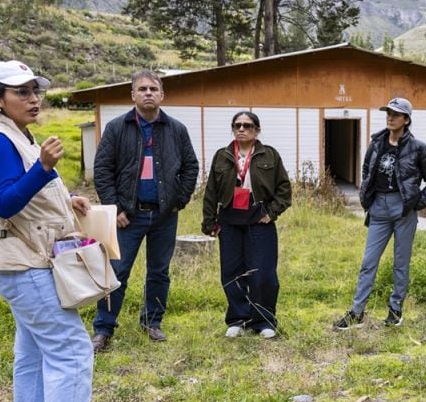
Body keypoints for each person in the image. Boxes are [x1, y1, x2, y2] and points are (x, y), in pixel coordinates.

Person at [0, 60, 109, 402]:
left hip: (22, 259)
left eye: (35, 91)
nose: (33, 99)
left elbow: (32, 195)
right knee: (71, 349)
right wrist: (43, 167)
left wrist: (70, 201)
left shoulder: (14, 135)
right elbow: (6, 201)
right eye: (21, 93)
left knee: (31, 351)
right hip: (23, 263)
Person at [90, 71, 198, 353]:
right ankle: (103, 329)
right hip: (128, 216)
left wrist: (179, 200)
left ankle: (152, 322)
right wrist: (115, 208)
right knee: (116, 272)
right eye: (142, 89)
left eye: (153, 89)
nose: (148, 93)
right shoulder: (116, 128)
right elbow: (102, 170)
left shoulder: (176, 129)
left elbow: (190, 167)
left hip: (164, 215)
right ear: (133, 95)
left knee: (159, 272)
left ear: (162, 95)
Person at [333, 97, 426, 330]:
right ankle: (357, 312)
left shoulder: (418, 148)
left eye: (396, 114)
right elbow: (366, 170)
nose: (390, 117)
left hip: (404, 209)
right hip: (379, 208)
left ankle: (395, 310)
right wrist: (367, 196)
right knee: (368, 262)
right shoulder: (376, 144)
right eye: (388, 113)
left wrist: (418, 202)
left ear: (406, 119)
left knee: (400, 264)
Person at [202, 111, 292, 339]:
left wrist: (271, 213)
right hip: (229, 220)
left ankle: (263, 321)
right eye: (237, 125)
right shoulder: (222, 156)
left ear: (257, 130)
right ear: (233, 129)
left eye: (248, 126)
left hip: (258, 219)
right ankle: (238, 319)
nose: (242, 129)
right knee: (232, 273)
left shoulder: (269, 155)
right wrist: (209, 221)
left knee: (263, 273)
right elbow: (211, 191)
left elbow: (284, 189)